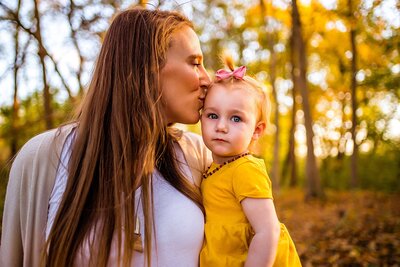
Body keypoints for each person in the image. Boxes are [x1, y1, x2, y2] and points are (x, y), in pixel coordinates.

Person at [0, 7, 212, 267]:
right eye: (195, 63)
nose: (207, 79)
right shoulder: (43, 158)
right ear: (147, 66)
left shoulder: (198, 155)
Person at [199, 55, 301, 267]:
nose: (221, 126)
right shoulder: (213, 167)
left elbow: (268, 231)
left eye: (236, 118)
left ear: (256, 130)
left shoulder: (245, 169)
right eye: (212, 115)